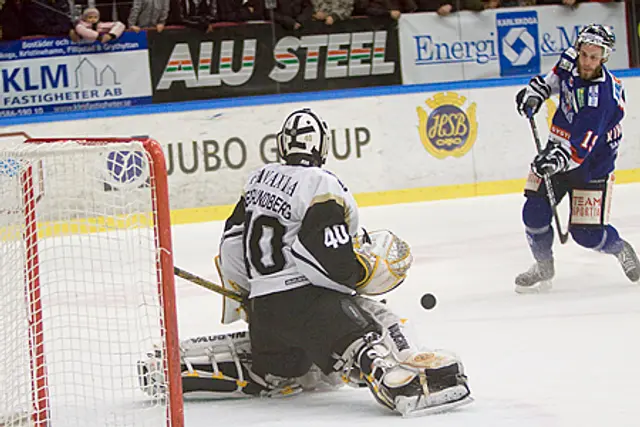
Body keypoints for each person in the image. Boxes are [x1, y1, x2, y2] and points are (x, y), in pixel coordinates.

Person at [138, 108, 472, 416]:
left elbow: (230, 249)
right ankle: (406, 385)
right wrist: (360, 276)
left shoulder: (257, 179)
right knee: (375, 324)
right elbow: (319, 256)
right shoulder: (321, 184)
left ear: (282, 145)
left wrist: (250, 298)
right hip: (308, 307)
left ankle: (180, 371)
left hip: (265, 315)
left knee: (289, 373)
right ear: (323, 146)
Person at [514, 24, 640, 293]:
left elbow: (579, 151)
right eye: (584, 54)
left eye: (594, 58)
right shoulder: (573, 57)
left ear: (604, 58)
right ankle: (543, 267)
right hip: (558, 148)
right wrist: (536, 93)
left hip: (593, 163)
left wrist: (553, 161)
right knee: (533, 214)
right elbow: (556, 77)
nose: (586, 62)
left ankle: (620, 248)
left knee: (587, 235)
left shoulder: (600, 99)